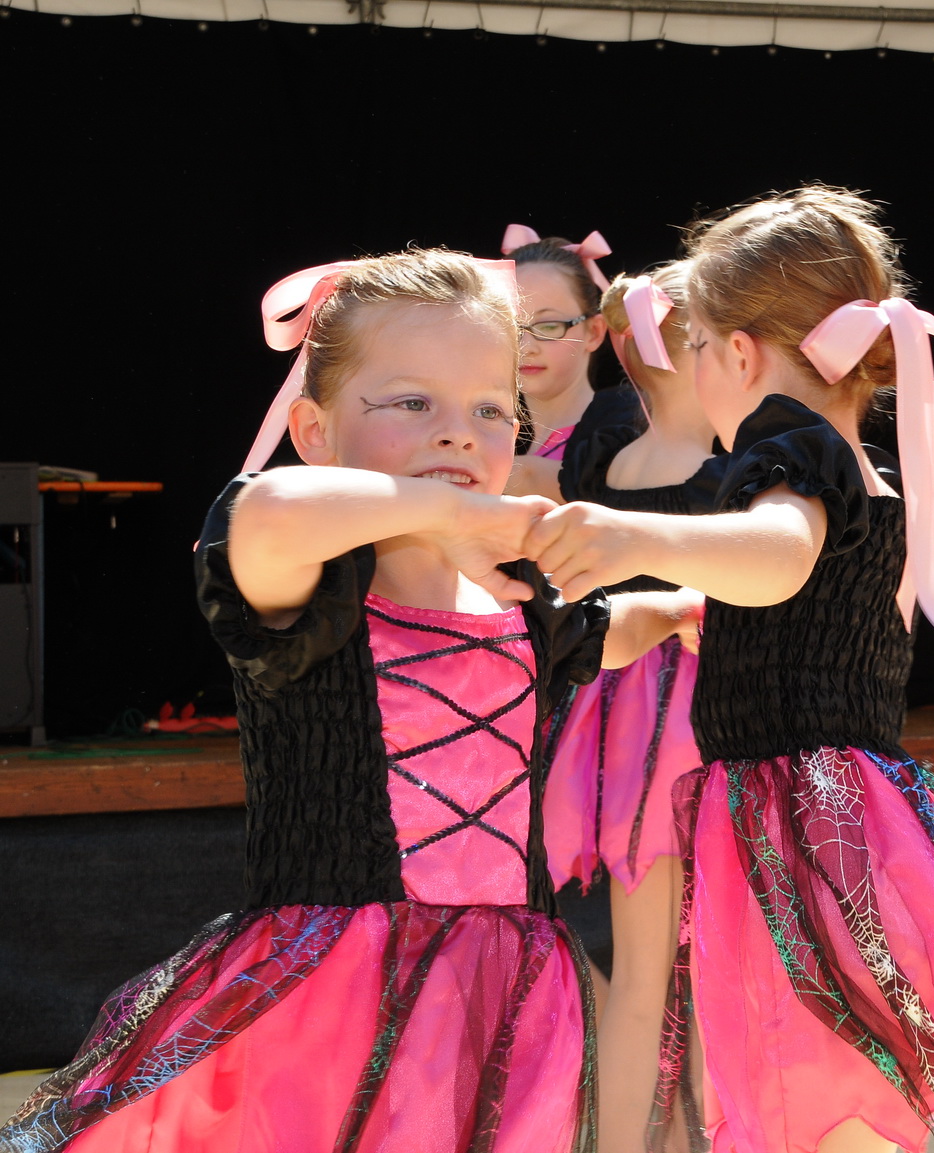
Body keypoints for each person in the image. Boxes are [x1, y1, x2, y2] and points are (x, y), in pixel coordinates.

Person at [1, 250, 698, 1152]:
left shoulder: (526, 606)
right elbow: (267, 506)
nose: (456, 434)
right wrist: (449, 514)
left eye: (489, 410)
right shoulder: (304, 581)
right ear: (314, 429)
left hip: (507, 994)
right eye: (412, 404)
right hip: (327, 998)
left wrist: (683, 607)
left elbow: (612, 625)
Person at [521, 187, 934, 1153]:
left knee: (816, 1065)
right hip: (837, 805)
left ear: (738, 354)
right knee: (829, 1067)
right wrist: (658, 611)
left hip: (794, 815)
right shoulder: (853, 453)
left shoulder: (786, 450)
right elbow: (815, 612)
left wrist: (633, 533)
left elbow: (779, 556)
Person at [539, 262, 718, 1153]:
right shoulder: (737, 468)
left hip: (619, 721)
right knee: (712, 974)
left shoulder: (608, 456)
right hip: (703, 725)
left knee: (643, 978)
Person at [502, 223, 614, 469]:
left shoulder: (615, 446)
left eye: (548, 326)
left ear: (594, 332)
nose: (525, 347)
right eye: (511, 326)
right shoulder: (496, 442)